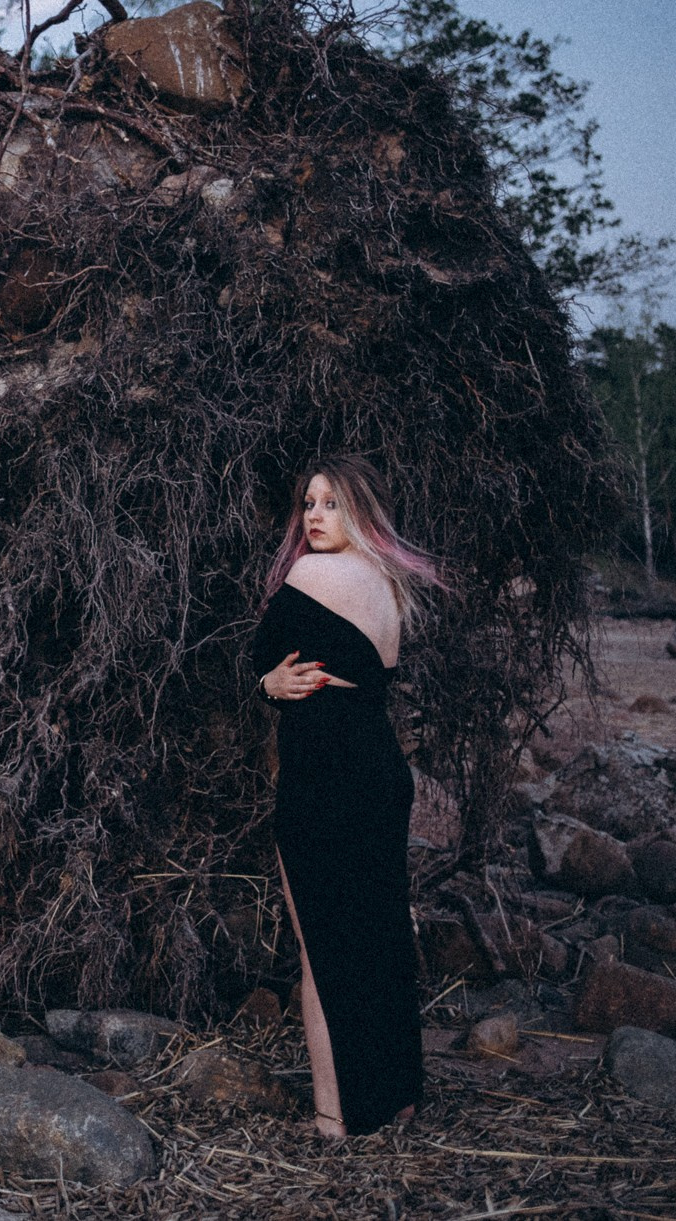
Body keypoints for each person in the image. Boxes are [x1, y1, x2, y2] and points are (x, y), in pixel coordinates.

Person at [250, 456, 444, 1137]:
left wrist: (269, 685)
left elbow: (260, 652)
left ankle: (334, 1118)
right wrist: (276, 679)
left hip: (324, 770)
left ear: (361, 512)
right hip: (379, 767)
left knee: (320, 948)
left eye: (331, 503)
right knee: (381, 934)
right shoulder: (388, 584)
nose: (313, 515)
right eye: (308, 502)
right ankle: (397, 1094)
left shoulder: (309, 575)